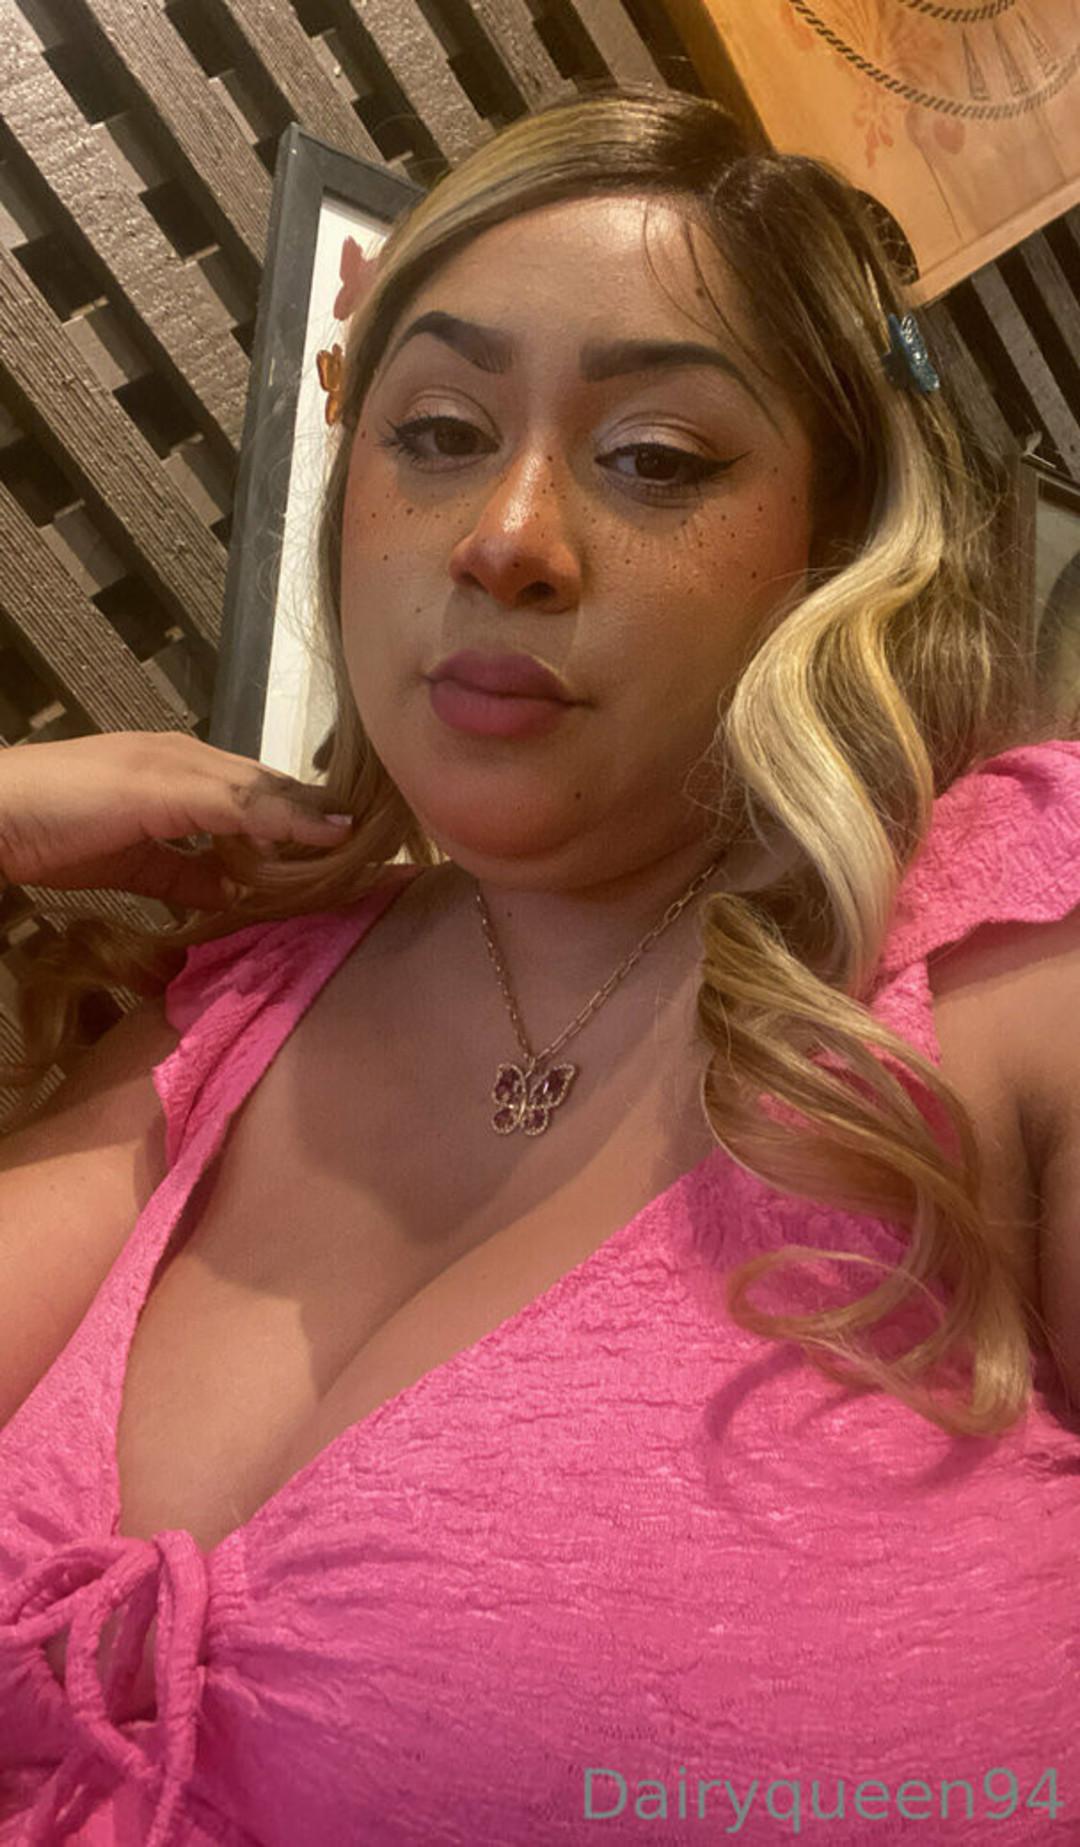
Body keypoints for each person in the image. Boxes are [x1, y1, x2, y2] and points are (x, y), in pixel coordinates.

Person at [1, 83, 1078, 1846]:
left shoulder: (1012, 957)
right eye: (435, 431)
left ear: (826, 549)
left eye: (654, 457)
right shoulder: (241, 1008)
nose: (503, 534)